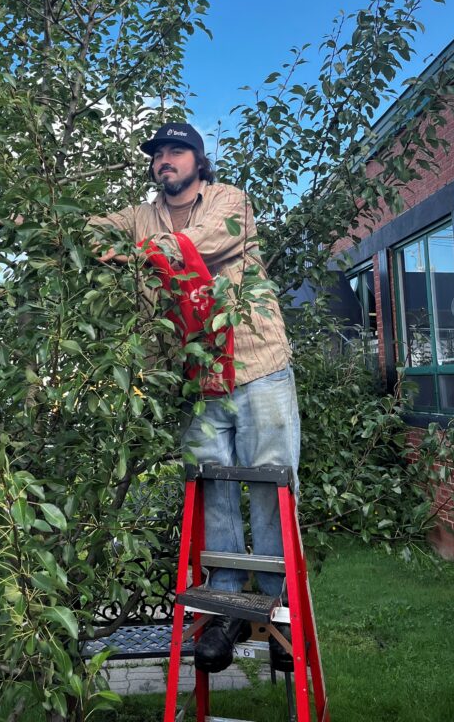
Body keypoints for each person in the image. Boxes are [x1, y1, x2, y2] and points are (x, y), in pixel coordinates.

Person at [89, 122, 300, 674]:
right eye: (158, 153)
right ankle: (227, 609)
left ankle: (279, 612)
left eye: (177, 151)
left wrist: (131, 253)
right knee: (212, 488)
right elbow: (86, 231)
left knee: (270, 483)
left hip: (257, 364)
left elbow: (195, 245)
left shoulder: (230, 201)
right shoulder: (141, 216)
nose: (165, 159)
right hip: (196, 375)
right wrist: (46, 222)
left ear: (199, 161)